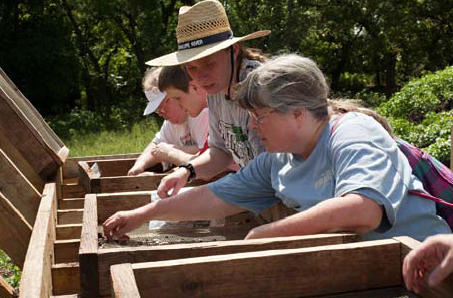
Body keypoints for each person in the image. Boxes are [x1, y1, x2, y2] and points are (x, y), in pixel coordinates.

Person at [103, 54, 450, 242]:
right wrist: (142, 216)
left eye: (261, 116)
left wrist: (268, 232)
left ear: (297, 114)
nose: (253, 126)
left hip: (422, 272)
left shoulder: (353, 133)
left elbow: (363, 211)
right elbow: (216, 196)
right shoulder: (277, 161)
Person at [145, 0, 270, 197]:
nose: (201, 77)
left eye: (209, 64)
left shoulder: (261, 87)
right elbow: (220, 151)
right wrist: (187, 171)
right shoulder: (216, 90)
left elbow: (271, 165)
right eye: (192, 68)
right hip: (261, 192)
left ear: (234, 51)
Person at [128, 66, 209, 176]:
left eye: (163, 106)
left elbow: (203, 158)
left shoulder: (201, 113)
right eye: (157, 110)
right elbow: (156, 145)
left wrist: (170, 152)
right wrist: (138, 166)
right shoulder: (173, 122)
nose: (161, 113)